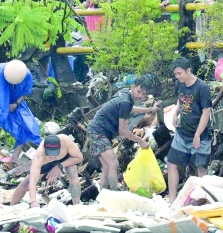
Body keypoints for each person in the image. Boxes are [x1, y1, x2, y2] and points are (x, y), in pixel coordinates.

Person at [87, 76, 159, 191]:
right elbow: (123, 131)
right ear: (132, 87)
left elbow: (130, 109)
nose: (140, 96)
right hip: (98, 132)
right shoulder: (125, 101)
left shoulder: (125, 93)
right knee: (113, 163)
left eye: (143, 94)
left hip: (96, 130)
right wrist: (140, 141)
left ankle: (103, 195)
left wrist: (149, 110)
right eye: (138, 91)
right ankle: (114, 194)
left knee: (106, 166)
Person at [166, 57, 213, 202]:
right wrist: (175, 113)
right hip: (182, 132)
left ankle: (201, 201)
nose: (177, 77)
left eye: (179, 73)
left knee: (201, 168)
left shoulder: (202, 87)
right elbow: (181, 99)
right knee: (172, 163)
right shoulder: (180, 85)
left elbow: (206, 112)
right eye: (175, 74)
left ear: (188, 70)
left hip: (200, 134)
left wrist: (198, 134)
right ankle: (172, 201)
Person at [11, 134, 83, 207]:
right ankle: (11, 208)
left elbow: (79, 158)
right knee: (27, 182)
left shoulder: (66, 141)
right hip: (46, 162)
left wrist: (60, 166)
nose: (52, 157)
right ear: (43, 148)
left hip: (66, 158)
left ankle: (76, 206)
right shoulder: (39, 155)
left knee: (72, 172)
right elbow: (33, 180)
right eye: (50, 154)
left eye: (54, 154)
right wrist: (33, 201)